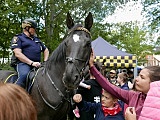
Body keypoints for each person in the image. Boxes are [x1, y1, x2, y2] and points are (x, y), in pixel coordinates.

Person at [89, 50, 160, 119]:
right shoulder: (134, 96)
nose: (136, 79)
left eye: (142, 77)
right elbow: (109, 87)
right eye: (138, 75)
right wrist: (92, 66)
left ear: (154, 83)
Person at [10, 18, 49, 88]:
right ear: (27, 28)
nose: (35, 30)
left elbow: (46, 50)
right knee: (25, 75)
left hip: (37, 64)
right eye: (34, 28)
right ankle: (13, 94)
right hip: (22, 64)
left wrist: (45, 62)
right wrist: (31, 63)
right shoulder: (18, 38)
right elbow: (18, 54)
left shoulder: (36, 40)